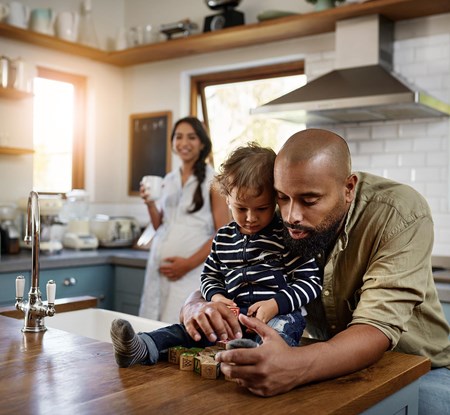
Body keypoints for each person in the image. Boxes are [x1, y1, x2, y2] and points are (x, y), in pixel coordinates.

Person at [180, 128, 450, 414]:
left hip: (420, 369)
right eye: (282, 198)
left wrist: (295, 367)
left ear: (348, 188)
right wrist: (194, 305)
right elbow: (234, 272)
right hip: (318, 361)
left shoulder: (399, 213)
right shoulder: (269, 213)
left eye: (309, 200)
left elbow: (375, 327)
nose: (291, 217)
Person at [110, 143, 322, 368]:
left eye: (262, 209)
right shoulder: (223, 238)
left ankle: (252, 357)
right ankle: (142, 346)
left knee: (280, 331)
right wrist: (217, 298)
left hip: (279, 315)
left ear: (276, 200)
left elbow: (310, 282)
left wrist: (274, 304)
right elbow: (209, 278)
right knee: (191, 330)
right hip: (233, 316)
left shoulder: (286, 236)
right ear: (227, 199)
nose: (250, 218)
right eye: (241, 208)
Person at [138, 116, 229, 323]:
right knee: (150, 327)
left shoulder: (213, 181)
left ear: (202, 143)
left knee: (179, 328)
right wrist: (150, 204)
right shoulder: (168, 180)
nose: (184, 143)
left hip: (191, 274)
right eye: (178, 137)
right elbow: (159, 225)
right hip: (158, 272)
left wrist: (187, 264)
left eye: (191, 137)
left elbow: (222, 234)